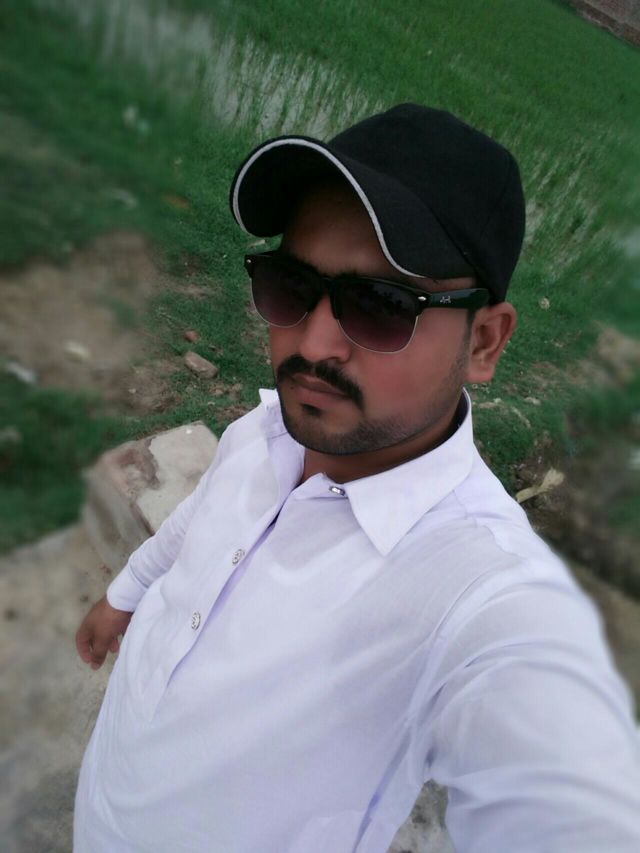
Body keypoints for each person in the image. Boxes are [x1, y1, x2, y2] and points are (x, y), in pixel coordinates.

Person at [74, 104, 640, 852]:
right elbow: (196, 524)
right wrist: (125, 595)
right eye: (290, 284)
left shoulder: (477, 594)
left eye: (381, 306)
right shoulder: (263, 431)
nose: (313, 344)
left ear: (484, 342)